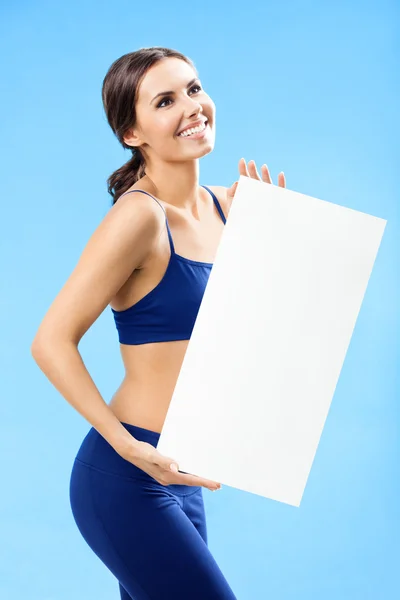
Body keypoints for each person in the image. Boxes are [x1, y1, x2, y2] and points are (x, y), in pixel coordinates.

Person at [31, 46, 286, 600]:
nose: (192, 108)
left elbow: (251, 338)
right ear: (132, 133)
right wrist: (126, 446)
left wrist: (275, 242)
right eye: (166, 100)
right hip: (125, 476)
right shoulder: (139, 218)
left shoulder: (230, 208)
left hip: (184, 471)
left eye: (194, 89)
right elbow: (51, 341)